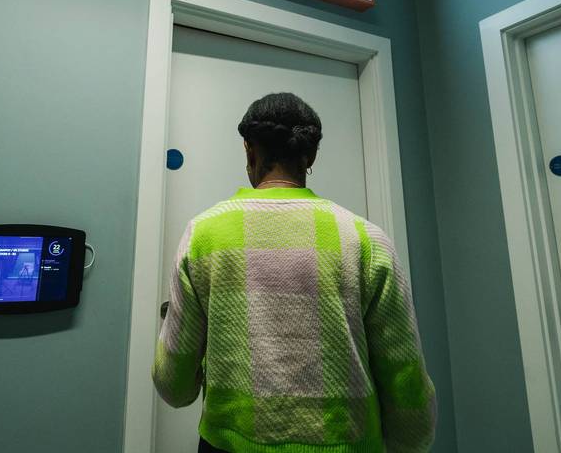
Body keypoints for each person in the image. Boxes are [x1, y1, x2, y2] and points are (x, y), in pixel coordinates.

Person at [153, 92, 436, 453]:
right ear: (311, 155)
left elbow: (173, 386)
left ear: (249, 151)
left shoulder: (203, 234)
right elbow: (406, 382)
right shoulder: (366, 239)